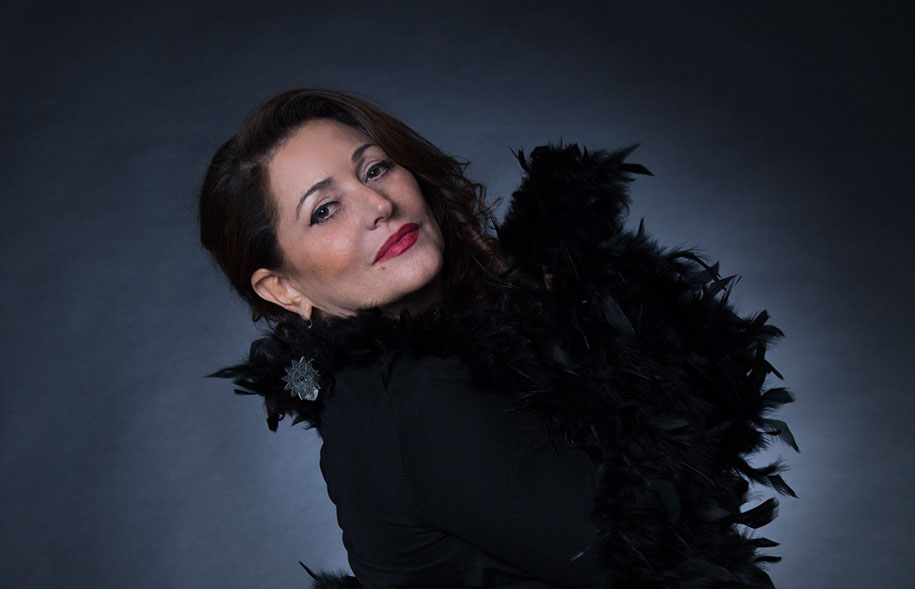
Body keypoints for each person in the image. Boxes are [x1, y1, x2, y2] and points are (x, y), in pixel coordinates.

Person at [199, 89, 797, 588]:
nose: (378, 204)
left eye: (375, 169)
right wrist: (602, 308)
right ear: (282, 288)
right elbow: (663, 543)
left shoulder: (409, 380)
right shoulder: (416, 401)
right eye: (324, 210)